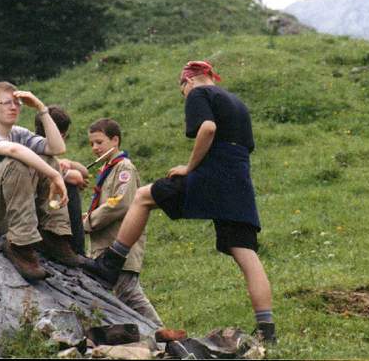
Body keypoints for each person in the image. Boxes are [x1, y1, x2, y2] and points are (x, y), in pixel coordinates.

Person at [83, 61, 276, 342]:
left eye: (181, 90)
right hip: (239, 179)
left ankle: (111, 261)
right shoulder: (237, 103)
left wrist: (189, 167)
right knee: (245, 251)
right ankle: (267, 330)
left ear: (188, 81)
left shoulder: (199, 94)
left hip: (213, 172)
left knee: (143, 196)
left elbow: (207, 128)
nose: (184, 96)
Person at [0, 81, 79, 282]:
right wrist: (55, 176)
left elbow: (57, 148)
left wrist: (41, 109)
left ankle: (54, 236)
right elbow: (14, 151)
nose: (13, 107)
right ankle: (21, 245)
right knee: (16, 162)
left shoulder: (18, 134)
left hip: (3, 216)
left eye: (17, 103)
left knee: (48, 159)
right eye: (6, 103)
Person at [80, 118, 163, 327]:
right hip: (103, 249)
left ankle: (165, 337)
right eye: (92, 144)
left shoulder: (124, 168)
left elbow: (119, 204)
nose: (95, 148)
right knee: (120, 297)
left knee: (129, 295)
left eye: (99, 142)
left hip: (120, 249)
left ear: (115, 140)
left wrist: (88, 222)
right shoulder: (107, 169)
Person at [35, 105, 89, 255]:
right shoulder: (37, 153)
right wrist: (68, 174)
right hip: (37, 218)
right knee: (68, 186)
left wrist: (69, 164)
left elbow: (83, 172)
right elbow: (77, 177)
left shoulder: (44, 151)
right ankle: (74, 247)